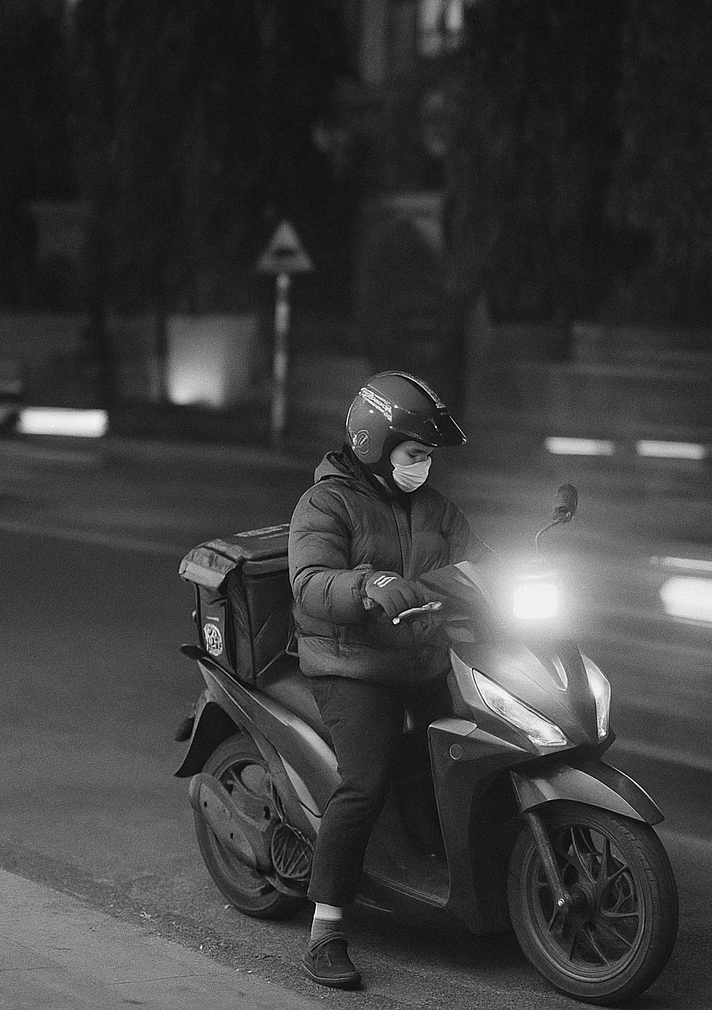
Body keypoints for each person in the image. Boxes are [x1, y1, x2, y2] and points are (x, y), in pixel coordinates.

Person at [288, 370, 488, 990]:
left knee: (460, 757)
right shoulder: (327, 504)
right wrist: (367, 586)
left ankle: (448, 874)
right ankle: (326, 929)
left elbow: (478, 560)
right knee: (366, 783)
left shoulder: (433, 506)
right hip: (353, 664)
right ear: (375, 444)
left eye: (428, 457)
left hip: (421, 658)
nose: (423, 467)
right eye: (415, 454)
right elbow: (310, 582)